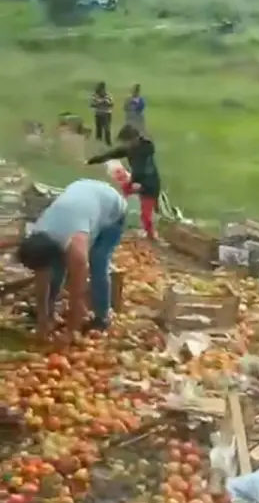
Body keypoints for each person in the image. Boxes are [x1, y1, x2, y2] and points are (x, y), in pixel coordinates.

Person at [16, 179, 128, 341]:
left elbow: (78, 293)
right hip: (81, 195)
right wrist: (43, 318)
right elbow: (41, 279)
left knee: (98, 262)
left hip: (112, 207)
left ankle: (102, 317)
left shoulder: (76, 248)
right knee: (55, 270)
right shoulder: (38, 234)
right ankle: (50, 314)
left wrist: (70, 332)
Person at [86, 125, 162, 241]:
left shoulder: (146, 149)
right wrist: (93, 160)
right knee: (121, 193)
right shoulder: (130, 148)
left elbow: (142, 168)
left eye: (127, 142)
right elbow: (111, 154)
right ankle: (117, 219)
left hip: (149, 184)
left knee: (146, 215)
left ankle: (153, 236)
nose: (126, 145)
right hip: (137, 181)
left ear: (135, 139)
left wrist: (136, 182)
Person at [90, 82, 114, 146]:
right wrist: (99, 103)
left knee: (107, 129)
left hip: (107, 114)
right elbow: (92, 105)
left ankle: (108, 144)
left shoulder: (108, 95)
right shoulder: (95, 95)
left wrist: (106, 102)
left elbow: (112, 104)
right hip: (98, 114)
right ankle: (98, 144)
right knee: (99, 130)